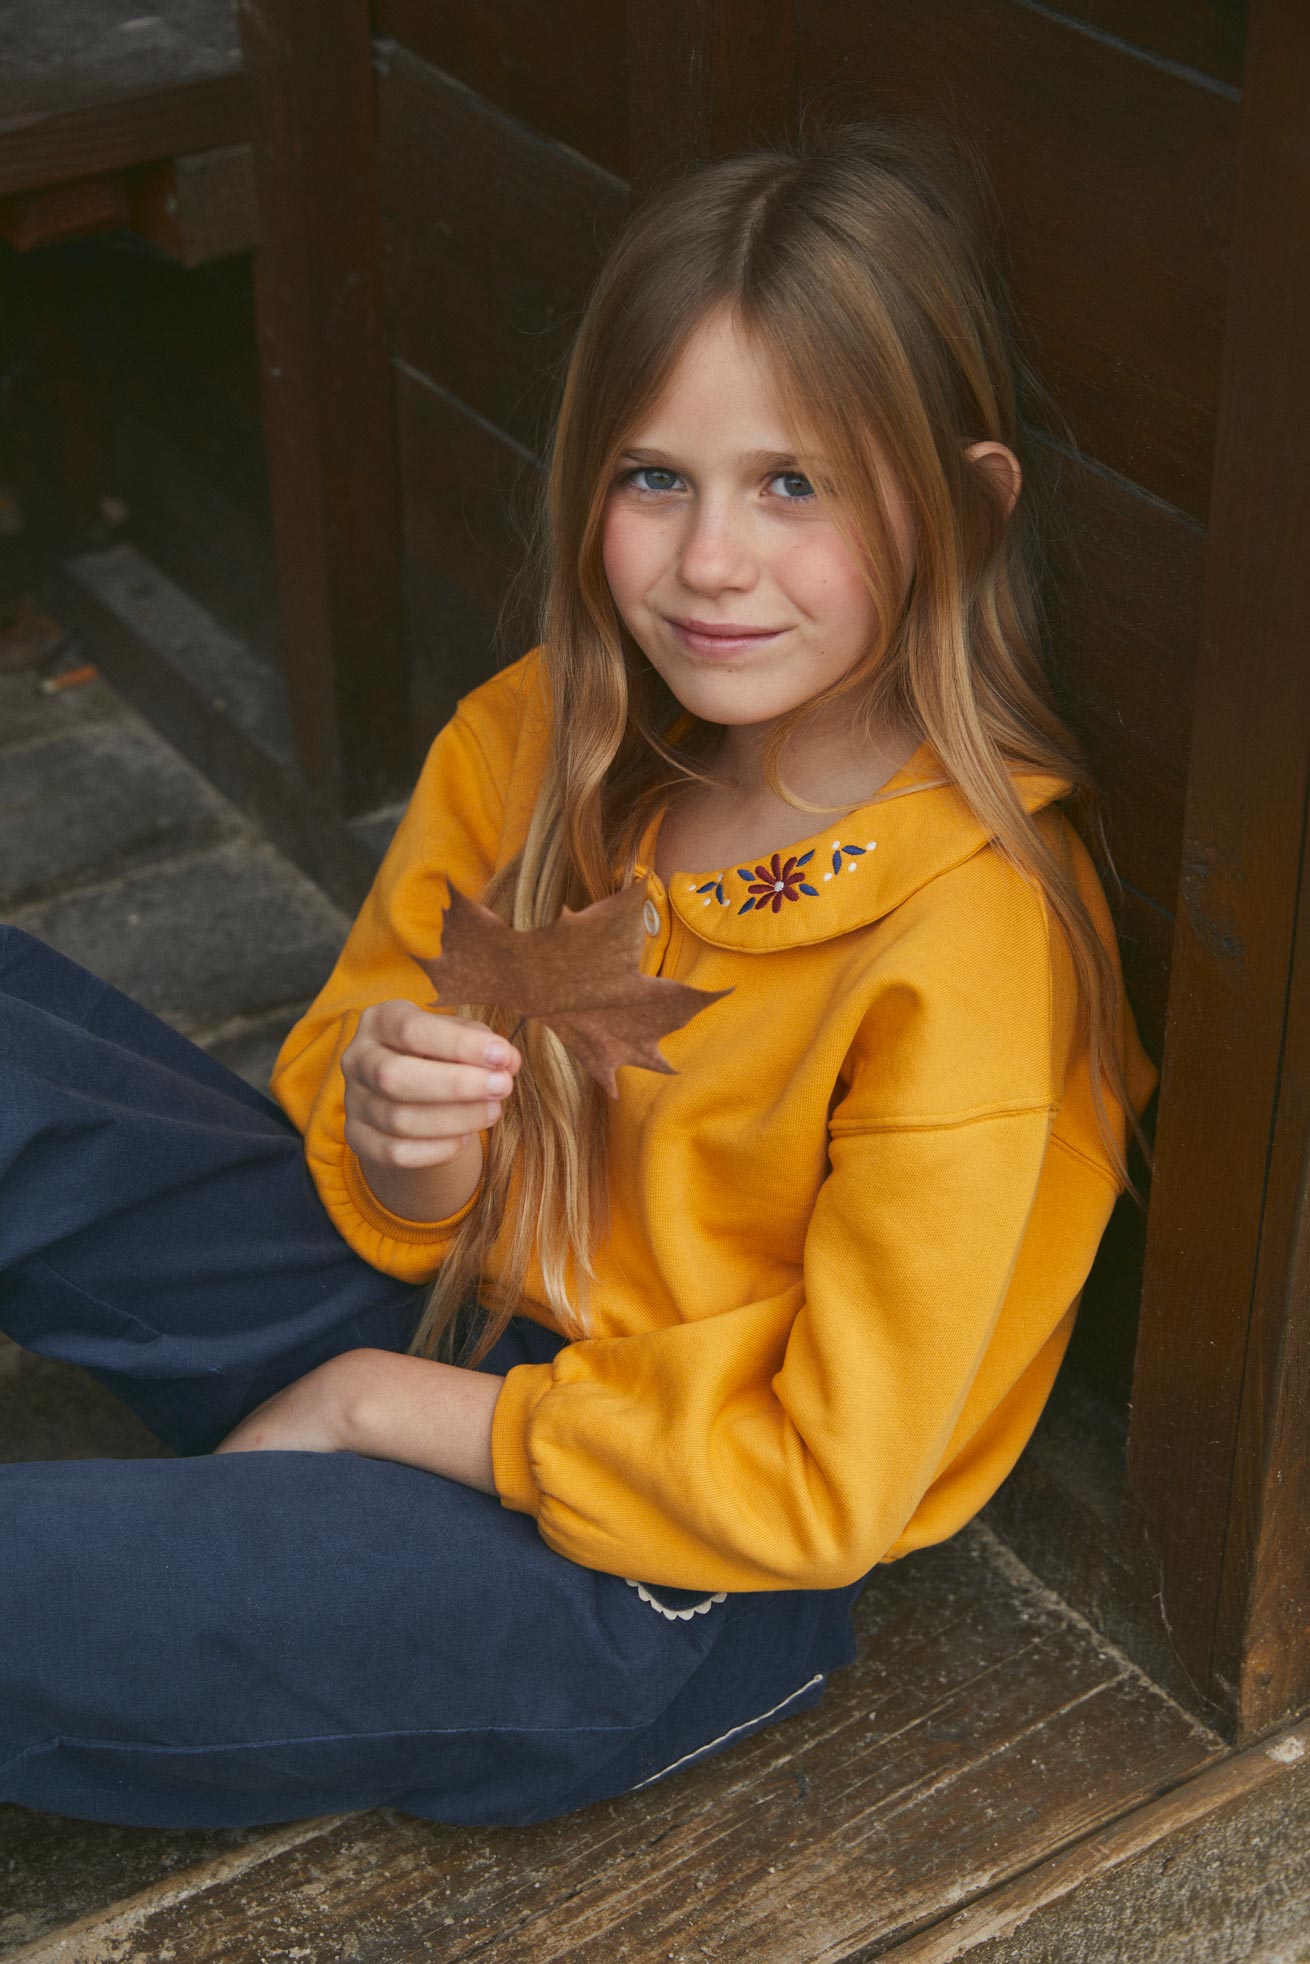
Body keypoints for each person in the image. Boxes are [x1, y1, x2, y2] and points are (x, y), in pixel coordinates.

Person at [0, 117, 1158, 1833]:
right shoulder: (544, 729)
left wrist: (375, 1403)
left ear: (964, 509)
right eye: (651, 477)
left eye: (797, 484)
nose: (709, 563)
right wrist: (412, 1149)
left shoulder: (968, 937)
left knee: (37, 1591)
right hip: (452, 1309)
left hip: (649, 1556)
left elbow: (825, 1478)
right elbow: (359, 1127)